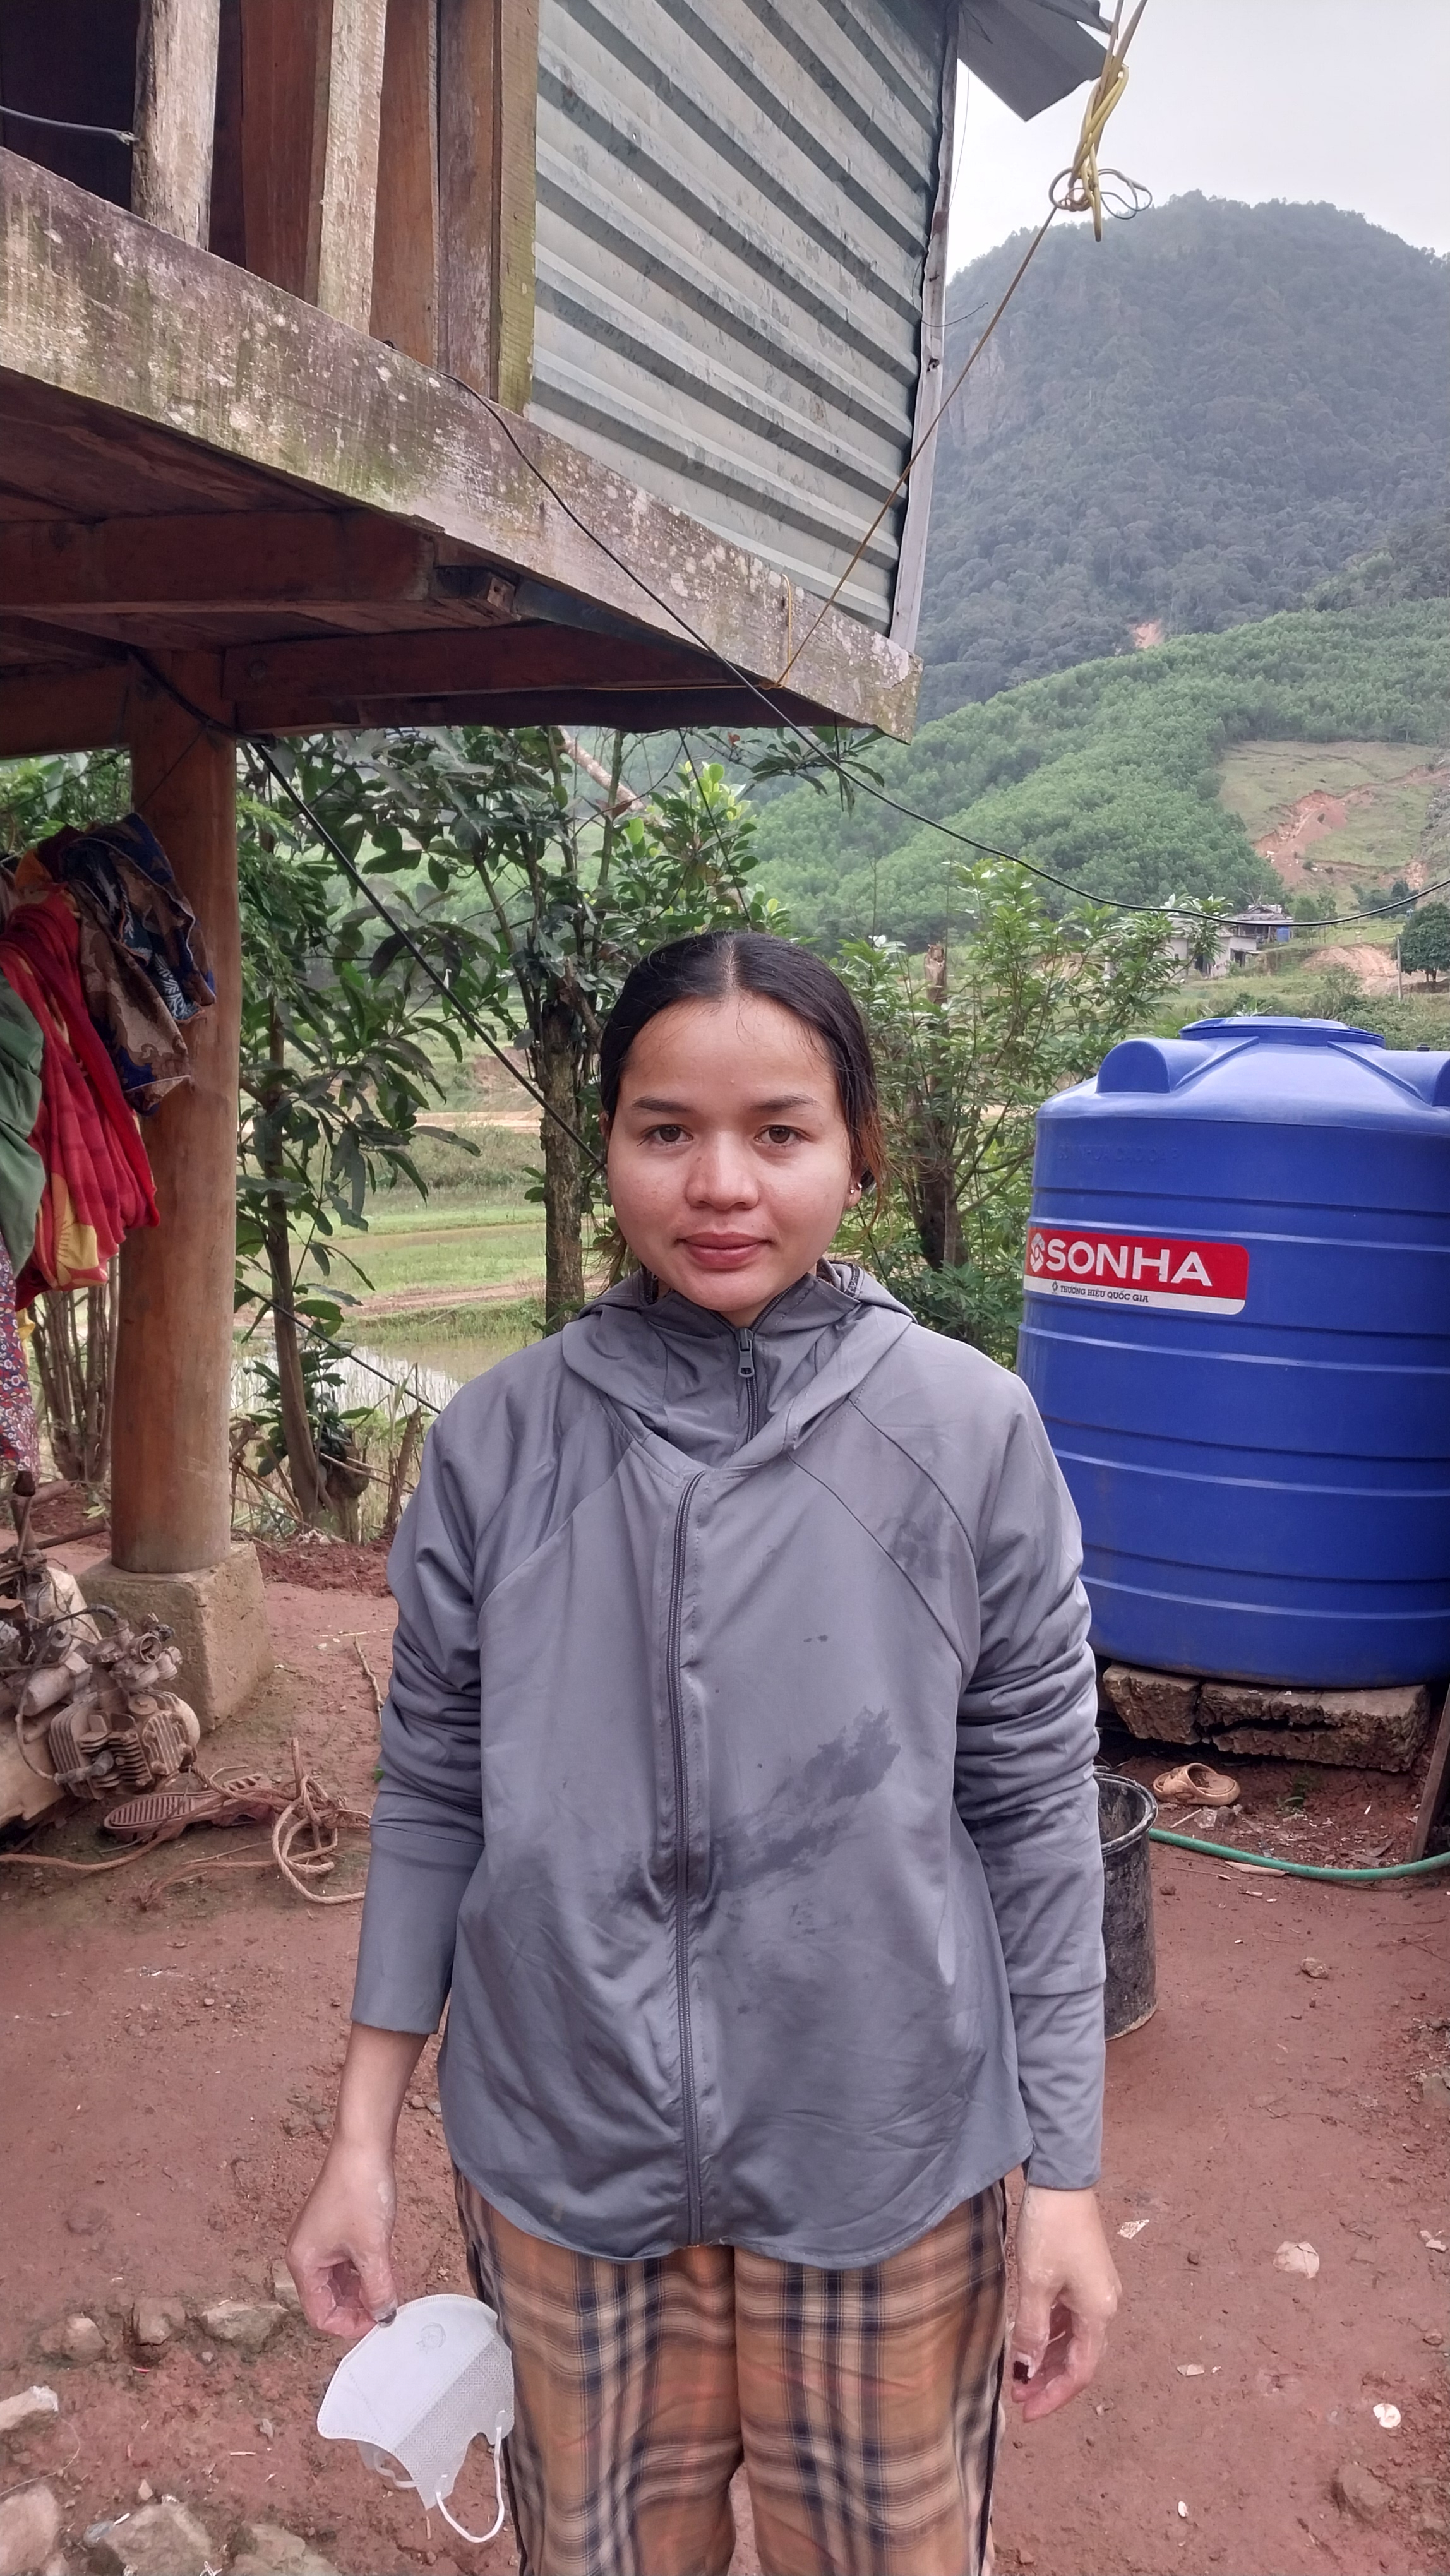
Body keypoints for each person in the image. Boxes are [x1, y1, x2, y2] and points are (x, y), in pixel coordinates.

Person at [289, 931, 1120, 2576]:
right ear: (605, 1143)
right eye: (665, 1129)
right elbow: (436, 1790)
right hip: (562, 2159)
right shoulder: (500, 1443)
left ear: (858, 1150)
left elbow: (1036, 1812)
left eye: (780, 1132)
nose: (721, 1183)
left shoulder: (969, 1432)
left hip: (888, 2161)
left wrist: (1070, 2182)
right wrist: (362, 2140)